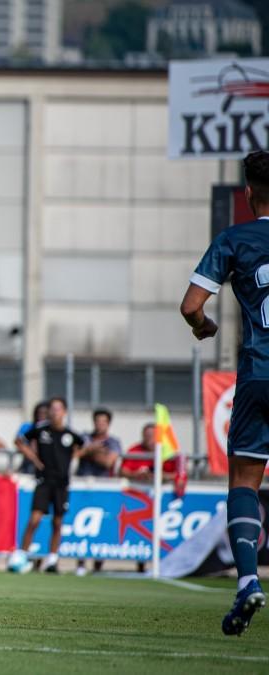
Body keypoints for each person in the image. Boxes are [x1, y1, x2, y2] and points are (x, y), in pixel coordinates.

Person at [182, 150, 269, 636]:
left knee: (243, 481)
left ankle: (248, 581)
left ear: (249, 193)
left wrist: (204, 326)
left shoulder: (235, 238)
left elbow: (191, 305)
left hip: (259, 373)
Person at [13, 397, 85, 575]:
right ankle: (22, 555)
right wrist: (35, 460)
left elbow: (83, 448)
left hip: (62, 484)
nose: (55, 412)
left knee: (58, 522)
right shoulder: (40, 430)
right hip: (44, 482)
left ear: (64, 412)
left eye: (58, 409)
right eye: (52, 409)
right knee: (34, 519)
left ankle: (52, 559)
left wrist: (72, 458)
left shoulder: (71, 435)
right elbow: (19, 441)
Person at [77, 408, 121, 478]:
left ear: (108, 423)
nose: (100, 424)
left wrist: (88, 451)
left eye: (103, 422)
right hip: (82, 481)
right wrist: (95, 451)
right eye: (97, 421)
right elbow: (75, 454)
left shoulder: (113, 442)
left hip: (102, 483)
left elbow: (108, 462)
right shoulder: (85, 437)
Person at [14, 401, 50, 474]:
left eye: (44, 413)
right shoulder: (31, 428)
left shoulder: (51, 431)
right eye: (39, 413)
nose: (41, 416)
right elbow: (18, 442)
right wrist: (35, 459)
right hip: (30, 463)